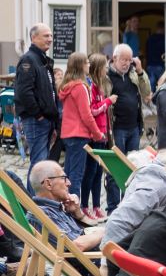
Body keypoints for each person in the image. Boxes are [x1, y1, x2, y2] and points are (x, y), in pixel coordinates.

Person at [57, 52, 106, 201]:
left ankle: (65, 204)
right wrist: (98, 134)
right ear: (81, 66)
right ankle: (74, 211)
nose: (89, 65)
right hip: (79, 135)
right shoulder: (80, 87)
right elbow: (86, 115)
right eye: (87, 62)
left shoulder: (67, 86)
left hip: (68, 133)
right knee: (76, 175)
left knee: (69, 173)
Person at [25, 160, 103, 252]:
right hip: (98, 260)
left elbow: (87, 231)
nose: (69, 183)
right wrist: (107, 231)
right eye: (63, 178)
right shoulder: (42, 213)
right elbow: (77, 245)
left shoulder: (57, 208)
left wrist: (79, 215)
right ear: (48, 184)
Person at [16, 24, 58, 184]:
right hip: (36, 120)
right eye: (46, 36)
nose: (50, 39)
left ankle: (34, 203)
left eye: (51, 36)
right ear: (33, 38)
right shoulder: (29, 59)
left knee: (41, 165)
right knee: (39, 167)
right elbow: (24, 92)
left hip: (45, 120)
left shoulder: (42, 59)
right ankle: (33, 206)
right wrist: (39, 115)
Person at [82, 53, 119, 219]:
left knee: (98, 172)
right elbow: (93, 110)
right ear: (98, 68)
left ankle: (96, 206)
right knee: (90, 172)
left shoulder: (101, 85)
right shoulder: (91, 86)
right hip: (95, 134)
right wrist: (108, 101)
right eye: (104, 66)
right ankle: (84, 206)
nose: (106, 69)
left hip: (103, 134)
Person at [107, 43, 151, 166]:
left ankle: (130, 186)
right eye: (123, 60)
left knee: (133, 164)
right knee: (118, 164)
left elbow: (147, 92)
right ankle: (113, 186)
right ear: (114, 58)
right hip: (117, 127)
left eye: (129, 60)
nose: (126, 63)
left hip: (134, 127)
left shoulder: (133, 73)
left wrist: (141, 71)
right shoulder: (107, 75)